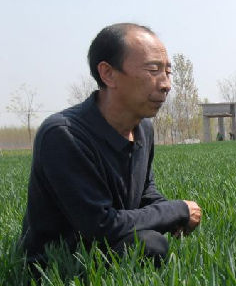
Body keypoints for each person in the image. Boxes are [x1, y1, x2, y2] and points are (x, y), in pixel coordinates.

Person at [20, 23, 202, 267]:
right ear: (108, 74)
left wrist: (170, 214)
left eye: (168, 72)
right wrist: (175, 210)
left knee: (150, 241)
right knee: (150, 245)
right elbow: (100, 224)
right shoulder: (64, 135)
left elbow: (145, 190)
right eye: (153, 70)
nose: (165, 84)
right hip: (61, 260)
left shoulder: (143, 128)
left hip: (109, 240)